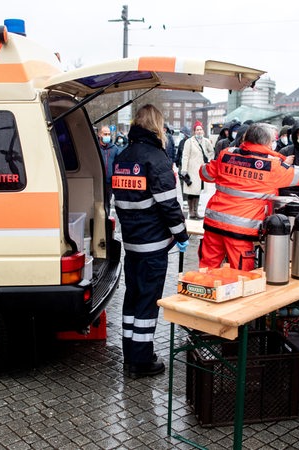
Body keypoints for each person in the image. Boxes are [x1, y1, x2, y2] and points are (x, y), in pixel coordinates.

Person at [198, 123, 299, 270]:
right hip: (241, 229)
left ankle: (202, 292)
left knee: (207, 268)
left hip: (213, 222)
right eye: (272, 141)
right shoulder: (272, 167)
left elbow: (205, 174)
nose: (274, 143)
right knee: (241, 276)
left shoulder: (227, 154)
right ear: (266, 142)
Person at [111, 104, 189, 379]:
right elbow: (169, 205)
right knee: (146, 303)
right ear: (157, 126)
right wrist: (181, 235)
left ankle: (131, 354)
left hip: (131, 243)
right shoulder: (157, 159)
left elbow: (120, 202)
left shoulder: (123, 157)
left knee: (132, 301)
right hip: (153, 245)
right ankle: (141, 362)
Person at [180, 121, 213, 219]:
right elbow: (185, 156)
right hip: (191, 170)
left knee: (197, 191)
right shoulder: (189, 142)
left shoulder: (206, 141)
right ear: (194, 131)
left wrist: (208, 161)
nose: (199, 131)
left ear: (203, 131)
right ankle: (191, 212)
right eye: (197, 130)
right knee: (191, 192)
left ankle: (196, 212)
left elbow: (211, 152)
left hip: (200, 170)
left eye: (200, 129)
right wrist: (184, 170)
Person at [98, 126, 121, 200]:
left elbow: (118, 164)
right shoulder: (95, 148)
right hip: (98, 181)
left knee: (107, 202)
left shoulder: (114, 149)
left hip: (109, 182)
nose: (107, 136)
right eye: (105, 134)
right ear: (99, 134)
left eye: (108, 134)